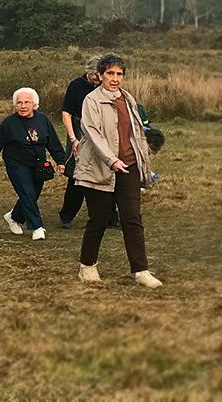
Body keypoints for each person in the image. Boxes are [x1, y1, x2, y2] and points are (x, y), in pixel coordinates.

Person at [75, 54, 162, 288]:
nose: (115, 79)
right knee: (99, 219)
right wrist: (112, 160)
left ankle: (141, 270)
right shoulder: (91, 101)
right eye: (110, 74)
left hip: (129, 167)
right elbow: (93, 134)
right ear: (100, 76)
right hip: (99, 169)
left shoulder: (128, 99)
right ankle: (87, 266)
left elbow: (137, 132)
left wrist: (144, 161)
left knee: (132, 218)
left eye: (119, 74)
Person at [0, 88, 67, 241]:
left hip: (38, 164)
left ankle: (14, 217)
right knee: (27, 193)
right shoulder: (9, 123)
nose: (23, 106)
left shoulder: (43, 120)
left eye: (26, 102)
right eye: (19, 103)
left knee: (32, 194)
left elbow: (54, 143)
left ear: (34, 104)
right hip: (16, 163)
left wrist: (61, 161)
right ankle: (37, 227)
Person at [59, 55, 118, 230]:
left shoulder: (106, 87)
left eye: (100, 76)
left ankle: (110, 217)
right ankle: (67, 215)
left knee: (108, 171)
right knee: (77, 174)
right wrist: (73, 139)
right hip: (79, 130)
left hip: (103, 131)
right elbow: (66, 113)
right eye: (94, 75)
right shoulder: (76, 86)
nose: (98, 79)